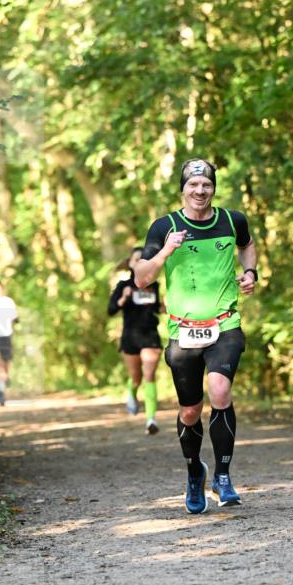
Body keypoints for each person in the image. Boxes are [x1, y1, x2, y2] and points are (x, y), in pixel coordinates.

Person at [135, 158, 257, 514]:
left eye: (206, 185)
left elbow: (247, 244)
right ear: (183, 189)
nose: (200, 191)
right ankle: (194, 472)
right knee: (190, 411)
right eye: (193, 185)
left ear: (213, 188)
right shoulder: (164, 226)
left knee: (220, 391)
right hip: (182, 332)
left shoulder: (232, 220)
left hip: (225, 325)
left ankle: (222, 475)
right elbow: (142, 278)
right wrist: (167, 249)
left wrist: (250, 272)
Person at [108, 247, 163, 435]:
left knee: (149, 375)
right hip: (130, 336)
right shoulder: (123, 286)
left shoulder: (154, 286)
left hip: (150, 335)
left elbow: (158, 307)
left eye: (144, 259)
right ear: (131, 263)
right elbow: (111, 310)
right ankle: (131, 392)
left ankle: (151, 420)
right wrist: (123, 299)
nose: (141, 262)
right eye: (137, 259)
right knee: (136, 377)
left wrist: (166, 307)